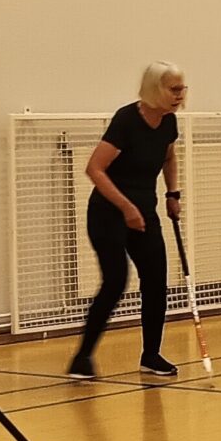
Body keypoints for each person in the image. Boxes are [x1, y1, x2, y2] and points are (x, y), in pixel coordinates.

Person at [68, 62, 186, 380]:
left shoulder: (168, 121)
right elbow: (94, 169)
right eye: (174, 89)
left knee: (156, 281)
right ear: (155, 89)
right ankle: (82, 358)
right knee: (116, 281)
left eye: (182, 88)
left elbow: (168, 156)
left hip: (144, 212)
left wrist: (172, 194)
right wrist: (126, 208)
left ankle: (151, 356)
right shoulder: (127, 120)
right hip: (108, 213)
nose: (180, 95)